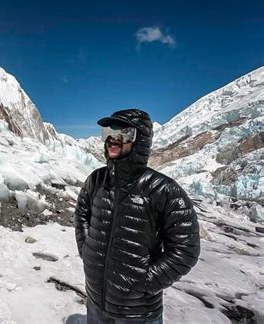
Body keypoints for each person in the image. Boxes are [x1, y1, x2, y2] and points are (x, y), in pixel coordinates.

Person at [75, 109, 200, 324]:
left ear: (139, 141)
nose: (113, 140)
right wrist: (87, 251)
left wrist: (144, 282)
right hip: (96, 303)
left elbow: (185, 250)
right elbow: (82, 215)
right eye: (108, 133)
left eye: (124, 134)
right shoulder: (96, 180)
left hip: (137, 313)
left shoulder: (163, 190)